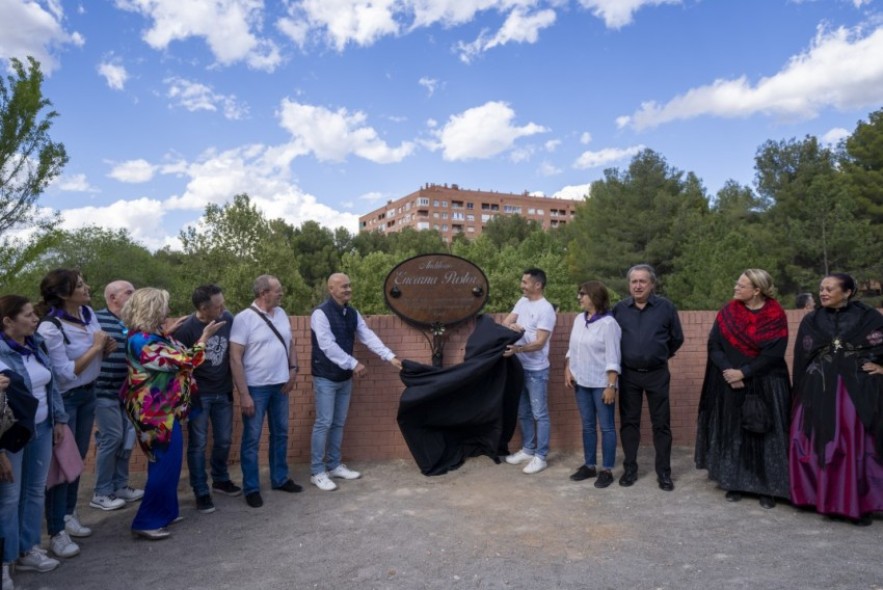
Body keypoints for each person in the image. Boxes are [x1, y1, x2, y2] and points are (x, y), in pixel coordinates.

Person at [120, 288, 223, 540]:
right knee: (163, 465)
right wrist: (204, 337)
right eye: (163, 306)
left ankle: (165, 512)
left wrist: (167, 333)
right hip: (154, 416)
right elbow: (186, 360)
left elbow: (168, 351)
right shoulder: (141, 341)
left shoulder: (152, 336)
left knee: (170, 463)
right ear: (153, 310)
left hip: (165, 411)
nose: (167, 310)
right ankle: (147, 521)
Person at [790, 273, 883, 526]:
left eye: (830, 288)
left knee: (849, 444)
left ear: (848, 292)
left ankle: (853, 504)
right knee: (814, 442)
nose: (823, 292)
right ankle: (821, 499)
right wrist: (799, 389)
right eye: (821, 288)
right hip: (817, 389)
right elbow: (803, 354)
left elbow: (879, 346)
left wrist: (880, 367)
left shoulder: (869, 317)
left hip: (855, 391)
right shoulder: (812, 319)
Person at [695, 269, 791, 509]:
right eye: (737, 284)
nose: (736, 288)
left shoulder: (775, 315)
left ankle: (767, 487)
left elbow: (774, 353)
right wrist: (730, 372)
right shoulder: (727, 313)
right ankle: (735, 482)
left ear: (756, 290)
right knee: (734, 432)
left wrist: (745, 372)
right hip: (731, 383)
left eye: (741, 285)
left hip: (767, 382)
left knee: (765, 434)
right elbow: (714, 345)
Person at [36, 269, 113, 557]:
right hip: (66, 399)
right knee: (61, 465)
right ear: (63, 293)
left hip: (88, 393)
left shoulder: (87, 314)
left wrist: (104, 350)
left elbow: (92, 354)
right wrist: (95, 348)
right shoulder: (51, 327)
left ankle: (68, 514)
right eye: (80, 285)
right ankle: (56, 530)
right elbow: (65, 374)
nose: (87, 287)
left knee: (77, 459)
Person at [310, 273, 402, 491]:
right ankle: (317, 471)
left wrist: (389, 357)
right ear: (331, 289)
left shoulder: (351, 313)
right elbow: (327, 346)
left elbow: (367, 336)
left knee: (338, 423)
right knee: (324, 423)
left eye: (349, 285)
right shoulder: (320, 314)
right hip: (325, 376)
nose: (348, 289)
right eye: (343, 286)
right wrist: (353, 364)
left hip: (344, 378)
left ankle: (333, 466)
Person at [0, 295, 70, 583]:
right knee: (8, 497)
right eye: (28, 315)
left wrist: (58, 418)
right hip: (11, 435)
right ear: (7, 321)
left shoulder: (35, 345)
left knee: (33, 491)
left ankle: (28, 550)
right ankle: (5, 560)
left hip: (41, 428)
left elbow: (50, 382)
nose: (35, 319)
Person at [230, 275, 301, 508]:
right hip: (256, 389)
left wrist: (293, 370)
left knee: (280, 435)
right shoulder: (243, 319)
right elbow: (235, 358)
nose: (282, 293)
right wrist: (244, 394)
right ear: (263, 293)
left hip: (281, 386)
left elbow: (290, 344)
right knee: (252, 439)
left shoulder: (281, 314)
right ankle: (251, 488)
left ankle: (279, 479)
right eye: (277, 290)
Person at [612, 264, 683, 491]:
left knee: (661, 424)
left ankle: (664, 473)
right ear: (629, 284)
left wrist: (658, 355)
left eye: (643, 281)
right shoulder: (619, 309)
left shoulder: (666, 307)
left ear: (652, 284)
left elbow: (676, 338)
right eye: (634, 281)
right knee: (629, 423)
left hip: (657, 374)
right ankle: (630, 469)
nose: (638, 285)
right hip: (629, 375)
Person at [174, 284, 241, 513]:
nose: (223, 307)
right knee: (198, 444)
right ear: (204, 308)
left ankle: (220, 479)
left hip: (223, 391)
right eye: (218, 305)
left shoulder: (227, 318)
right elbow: (181, 363)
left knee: (223, 440)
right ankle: (200, 490)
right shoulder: (186, 329)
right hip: (199, 395)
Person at [90, 280, 144, 513]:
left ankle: (120, 485)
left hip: (127, 392)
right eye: (129, 292)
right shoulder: (97, 320)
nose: (134, 295)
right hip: (103, 390)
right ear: (113, 297)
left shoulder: (133, 322)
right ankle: (101, 492)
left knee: (126, 440)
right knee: (112, 437)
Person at [564, 281, 621, 488]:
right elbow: (573, 347)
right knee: (588, 426)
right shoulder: (580, 319)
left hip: (601, 383)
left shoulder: (608, 324)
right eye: (579, 293)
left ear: (595, 297)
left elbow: (614, 357)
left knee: (606, 428)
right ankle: (589, 466)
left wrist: (611, 386)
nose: (579, 297)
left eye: (582, 294)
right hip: (581, 382)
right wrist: (568, 368)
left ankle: (606, 470)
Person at [501, 268, 557, 475]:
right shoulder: (522, 302)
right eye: (522, 281)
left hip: (536, 370)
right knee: (523, 411)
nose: (521, 285)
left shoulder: (546, 309)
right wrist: (514, 326)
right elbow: (506, 322)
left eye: (525, 282)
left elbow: (540, 343)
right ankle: (528, 449)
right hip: (518, 368)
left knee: (539, 413)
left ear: (537, 285)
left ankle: (541, 456)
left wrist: (518, 348)